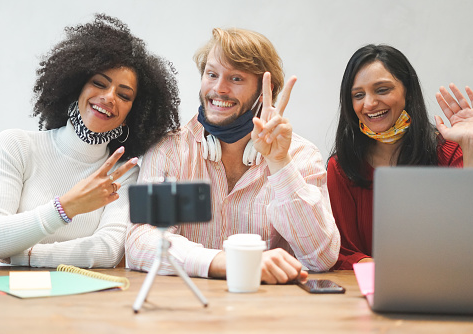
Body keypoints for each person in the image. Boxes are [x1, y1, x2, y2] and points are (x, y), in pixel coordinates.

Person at [126, 27, 340, 284]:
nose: (219, 89)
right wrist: (226, 262)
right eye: (212, 74)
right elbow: (140, 242)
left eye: (236, 79)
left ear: (263, 91)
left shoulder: (300, 155)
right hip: (187, 310)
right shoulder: (168, 148)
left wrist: (280, 164)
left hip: (267, 311)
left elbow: (321, 258)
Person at [0, 14, 180, 268]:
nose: (108, 97)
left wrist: (24, 255)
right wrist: (66, 207)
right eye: (99, 83)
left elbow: (108, 252)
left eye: (124, 95)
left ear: (132, 115)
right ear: (76, 88)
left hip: (86, 301)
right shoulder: (16, 146)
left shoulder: (124, 173)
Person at [327, 44, 473, 270]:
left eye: (382, 90)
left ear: (408, 91)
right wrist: (391, 277)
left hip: (444, 287)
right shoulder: (342, 168)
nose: (369, 104)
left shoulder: (447, 152)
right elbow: (342, 251)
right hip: (366, 293)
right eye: (358, 95)